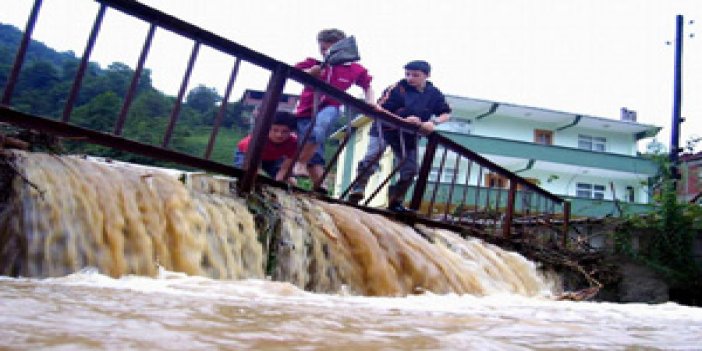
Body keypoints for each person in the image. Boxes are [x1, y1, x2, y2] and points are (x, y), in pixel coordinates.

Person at [348, 60, 451, 213]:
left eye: (415, 75)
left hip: (409, 135)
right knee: (373, 155)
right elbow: (379, 109)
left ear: (427, 76)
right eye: (407, 74)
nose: (410, 78)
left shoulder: (433, 93)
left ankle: (396, 201)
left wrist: (433, 122)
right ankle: (357, 190)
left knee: (410, 169)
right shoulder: (397, 88)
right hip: (385, 128)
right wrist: (404, 120)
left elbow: (446, 112)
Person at [294, 28, 375, 193]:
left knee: (318, 129)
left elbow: (367, 86)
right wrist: (311, 73)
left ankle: (300, 163)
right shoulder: (314, 63)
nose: (325, 53)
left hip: (331, 107)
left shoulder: (354, 69)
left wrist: (371, 102)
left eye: (330, 49)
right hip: (305, 111)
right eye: (322, 49)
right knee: (314, 145)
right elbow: (295, 72)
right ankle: (321, 186)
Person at [234, 110, 298, 185]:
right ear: (267, 129)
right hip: (247, 154)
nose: (279, 135)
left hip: (274, 158)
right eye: (275, 130)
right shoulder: (255, 140)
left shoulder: (293, 142)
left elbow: (285, 168)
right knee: (249, 175)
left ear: (291, 131)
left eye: (285, 131)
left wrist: (279, 183)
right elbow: (251, 163)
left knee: (290, 180)